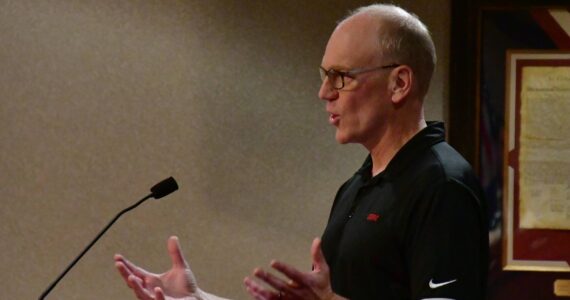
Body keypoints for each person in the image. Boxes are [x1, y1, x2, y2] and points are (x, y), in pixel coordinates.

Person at [114, 3, 489, 300]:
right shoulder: (357, 186)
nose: (324, 93)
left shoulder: (442, 185)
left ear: (399, 83)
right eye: (324, 76)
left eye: (341, 77)